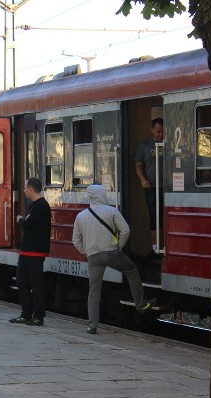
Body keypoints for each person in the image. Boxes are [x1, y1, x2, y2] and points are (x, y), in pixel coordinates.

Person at [72, 184, 153, 334]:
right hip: (112, 254)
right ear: (103, 195)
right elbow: (126, 230)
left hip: (93, 257)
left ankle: (92, 325)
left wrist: (86, 252)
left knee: (94, 290)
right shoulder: (111, 211)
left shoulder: (81, 216)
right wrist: (119, 246)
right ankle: (141, 305)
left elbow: (75, 240)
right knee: (132, 271)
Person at [9, 178, 51, 326]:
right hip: (26, 252)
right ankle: (25, 313)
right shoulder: (33, 206)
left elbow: (28, 225)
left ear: (31, 189)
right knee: (22, 283)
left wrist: (20, 220)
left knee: (36, 284)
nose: (24, 190)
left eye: (26, 188)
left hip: (36, 252)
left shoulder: (41, 206)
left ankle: (38, 316)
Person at [135, 117, 164, 256]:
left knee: (165, 216)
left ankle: (165, 246)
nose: (161, 135)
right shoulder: (145, 146)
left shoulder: (169, 143)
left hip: (166, 187)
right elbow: (138, 165)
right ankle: (155, 248)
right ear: (152, 130)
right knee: (154, 217)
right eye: (158, 132)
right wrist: (143, 180)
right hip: (151, 187)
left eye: (162, 132)